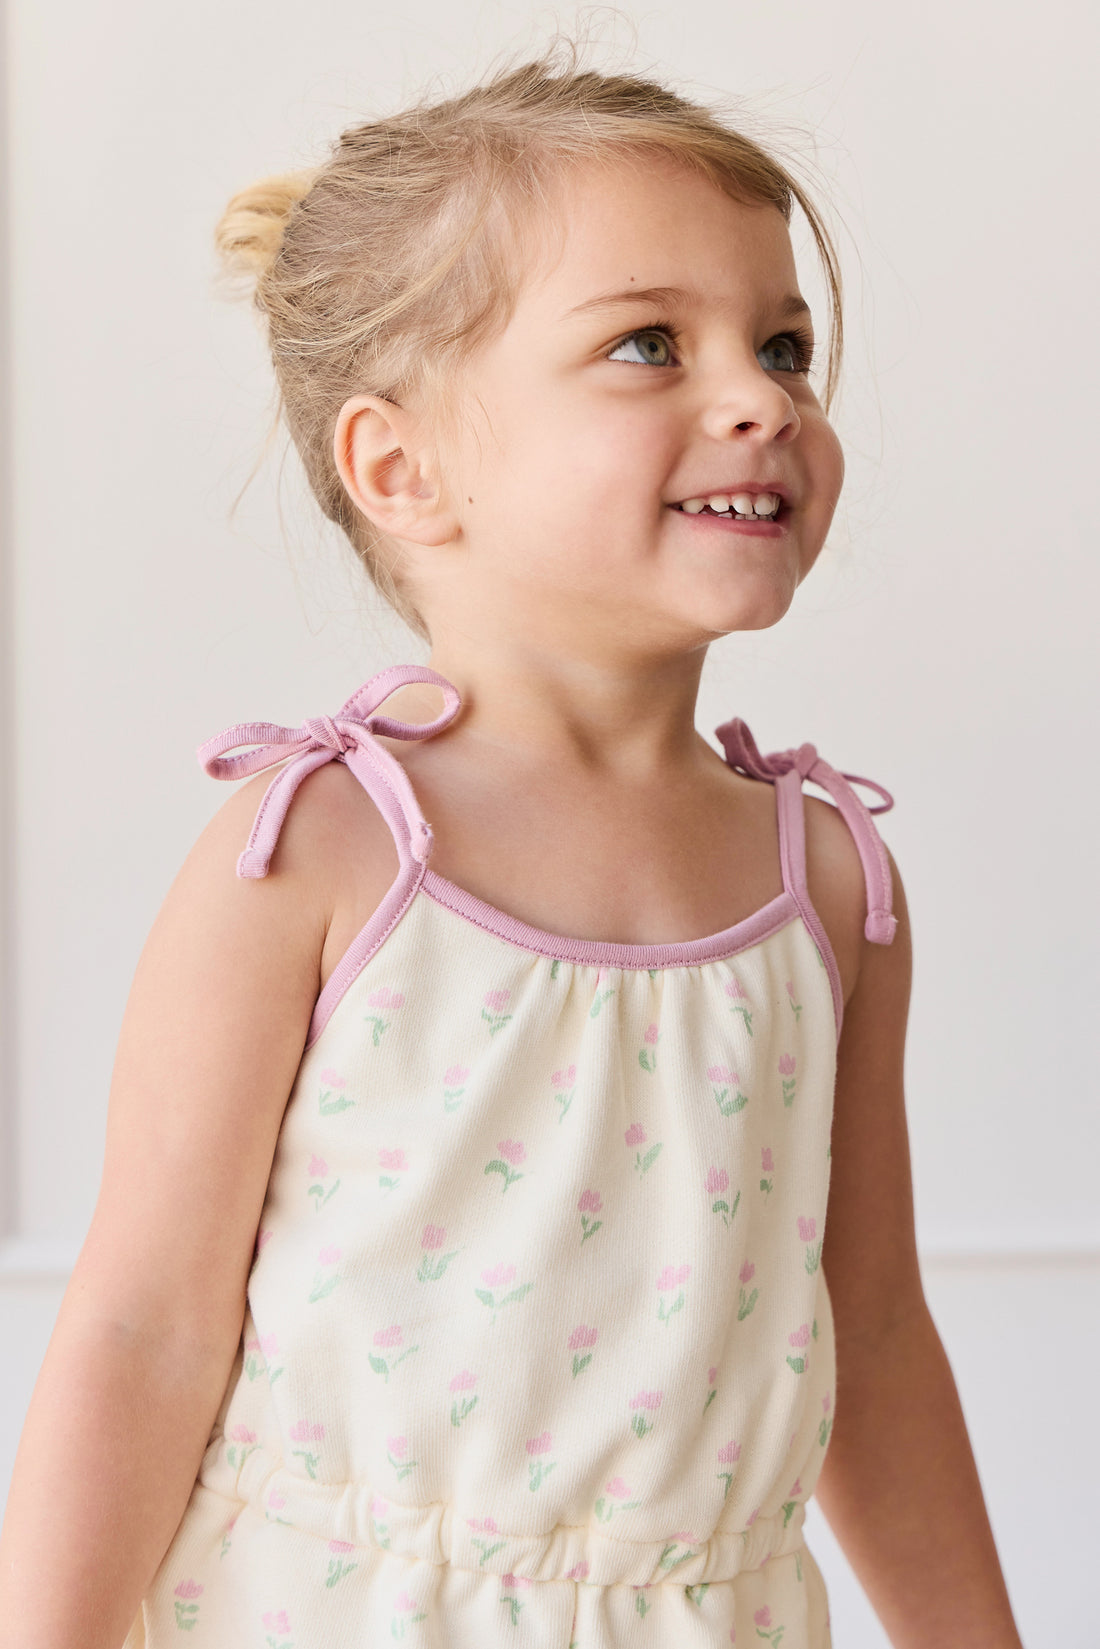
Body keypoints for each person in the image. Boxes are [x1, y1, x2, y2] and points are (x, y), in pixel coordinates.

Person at [0, 38, 1025, 1649]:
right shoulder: (313, 853)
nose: (761, 397)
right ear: (405, 468)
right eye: (647, 344)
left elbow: (874, 1334)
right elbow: (143, 1327)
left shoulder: (826, 882)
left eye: (783, 343)